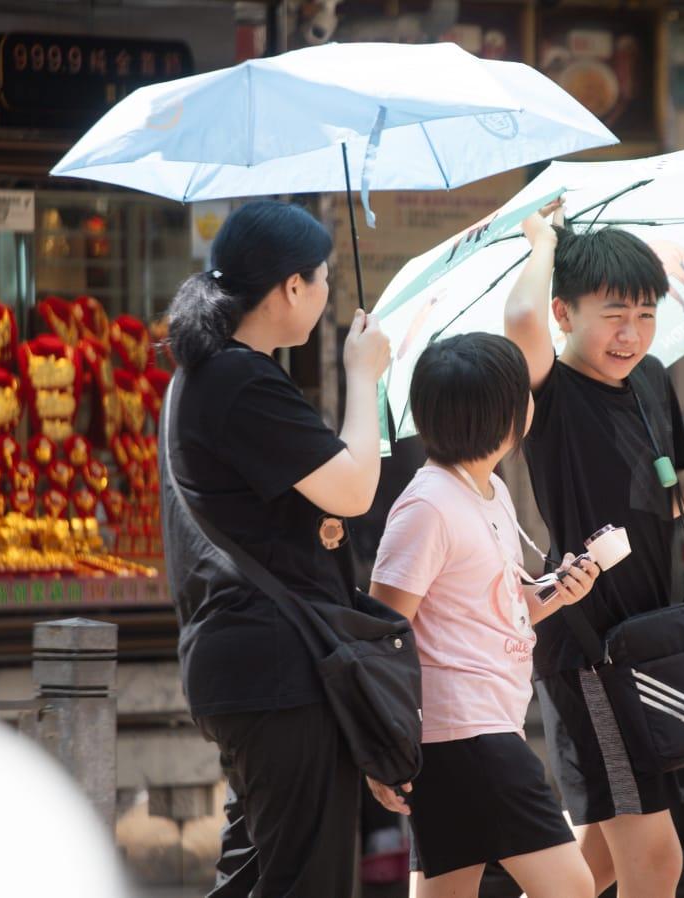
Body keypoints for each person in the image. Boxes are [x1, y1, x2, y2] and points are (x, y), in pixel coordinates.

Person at [503, 206, 684, 897]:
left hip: (642, 647)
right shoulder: (551, 392)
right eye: (614, 314)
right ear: (564, 312)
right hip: (590, 651)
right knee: (656, 858)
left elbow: (664, 494)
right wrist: (543, 244)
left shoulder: (650, 383)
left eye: (646, 315)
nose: (631, 333)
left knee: (593, 866)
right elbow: (519, 322)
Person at [159, 200, 391, 896]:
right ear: (292, 286)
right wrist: (363, 375)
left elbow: (294, 507)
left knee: (257, 876)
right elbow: (352, 490)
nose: (325, 296)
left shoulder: (209, 376)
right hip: (278, 669)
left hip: (248, 665)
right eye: (322, 280)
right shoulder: (238, 377)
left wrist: (313, 523)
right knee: (306, 882)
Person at [366, 333, 599, 898]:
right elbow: (380, 634)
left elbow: (497, 612)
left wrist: (556, 596)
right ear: (509, 414)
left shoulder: (490, 490)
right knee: (571, 889)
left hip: (475, 730)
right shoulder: (427, 506)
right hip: (469, 734)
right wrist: (379, 751)